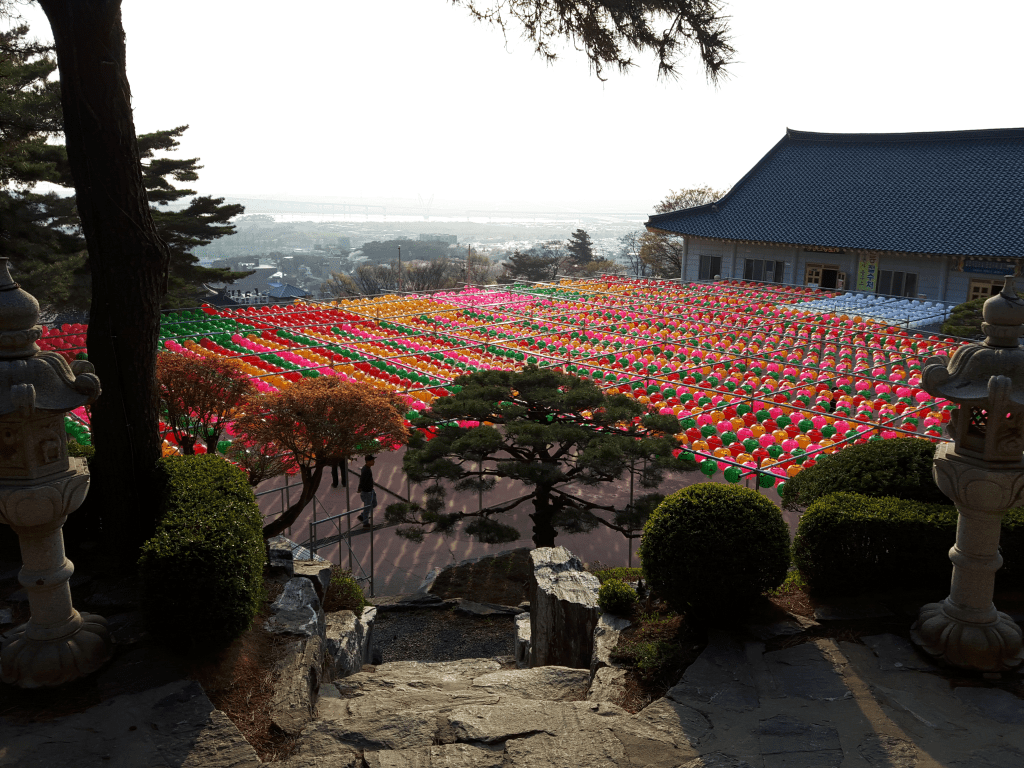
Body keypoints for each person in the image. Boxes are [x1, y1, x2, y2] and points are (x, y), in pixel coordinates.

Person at [357, 455, 376, 528]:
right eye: (372, 460)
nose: (374, 462)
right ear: (368, 462)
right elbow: (362, 480)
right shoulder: (366, 470)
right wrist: (360, 488)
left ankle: (362, 516)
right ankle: (366, 524)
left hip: (371, 490)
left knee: (374, 503)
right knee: (367, 507)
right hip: (367, 492)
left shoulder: (367, 468)